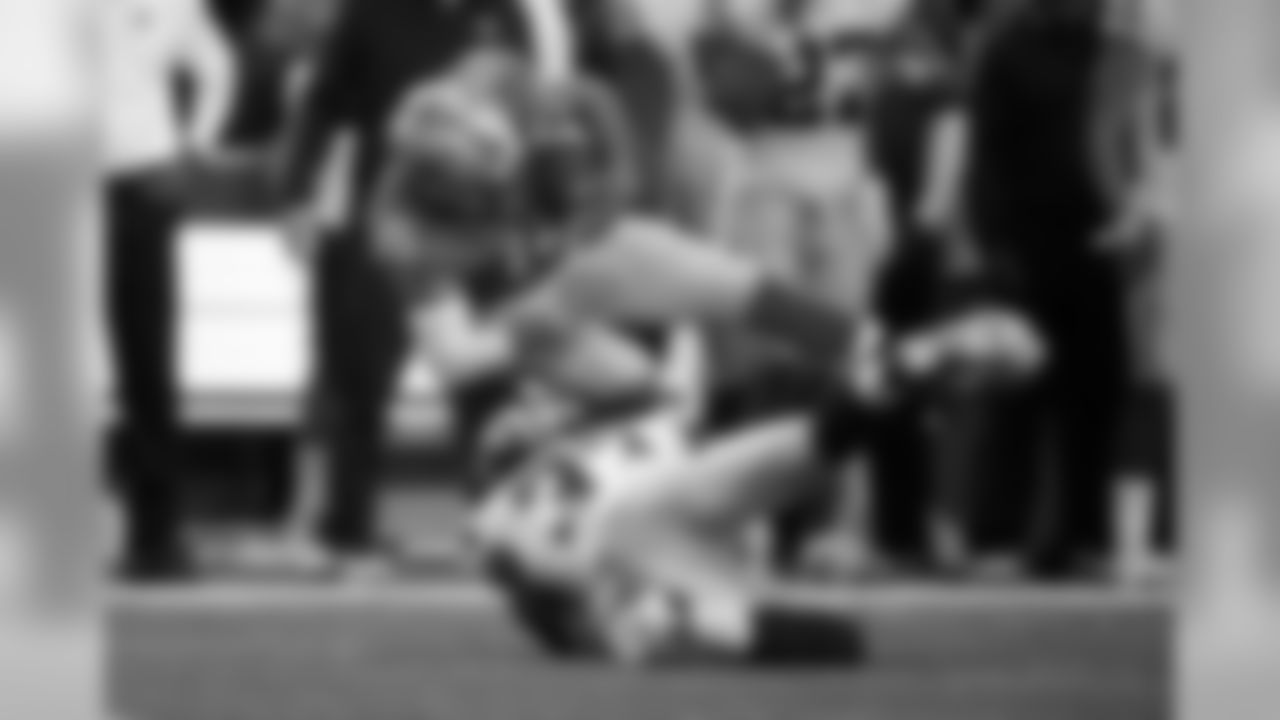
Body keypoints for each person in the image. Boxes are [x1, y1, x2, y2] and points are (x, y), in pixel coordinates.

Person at [267, 0, 570, 577]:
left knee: (488, 384)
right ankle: (348, 531)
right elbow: (322, 106)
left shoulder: (506, 16)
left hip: (481, 226)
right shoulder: (370, 14)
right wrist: (296, 195)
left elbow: (533, 119)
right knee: (360, 378)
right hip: (391, 221)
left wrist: (544, 219)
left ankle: (495, 526)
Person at [103, 0, 236, 580]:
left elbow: (218, 68)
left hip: (142, 184)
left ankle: (153, 541)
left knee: (148, 369)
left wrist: (196, 149)